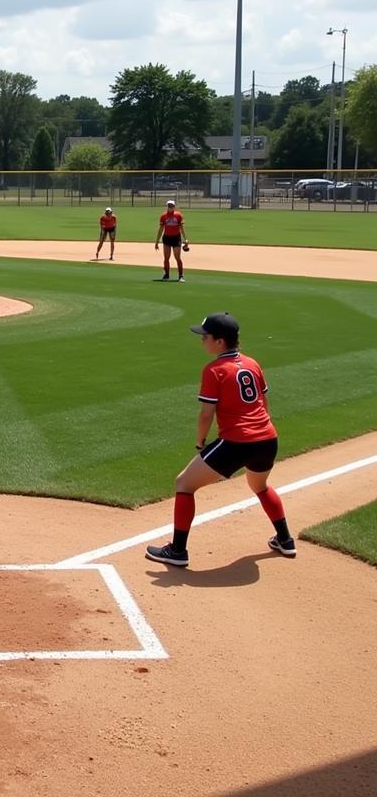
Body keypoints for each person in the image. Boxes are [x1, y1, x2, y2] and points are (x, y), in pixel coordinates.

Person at [146, 312, 295, 568]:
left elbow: (206, 414)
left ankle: (177, 551)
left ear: (220, 341)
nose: (202, 340)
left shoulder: (214, 370)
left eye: (205, 336)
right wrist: (259, 428)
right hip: (267, 438)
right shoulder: (252, 363)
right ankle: (285, 540)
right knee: (260, 485)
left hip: (238, 442)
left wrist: (200, 442)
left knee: (184, 483)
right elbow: (264, 402)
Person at [153, 200, 188, 281]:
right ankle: (166, 275)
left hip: (176, 238)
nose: (170, 207)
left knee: (177, 257)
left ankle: (181, 276)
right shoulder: (163, 216)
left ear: (174, 206)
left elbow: (181, 228)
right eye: (169, 206)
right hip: (167, 238)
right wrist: (157, 242)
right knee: (166, 258)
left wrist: (185, 239)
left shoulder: (178, 215)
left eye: (171, 206)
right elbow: (161, 229)